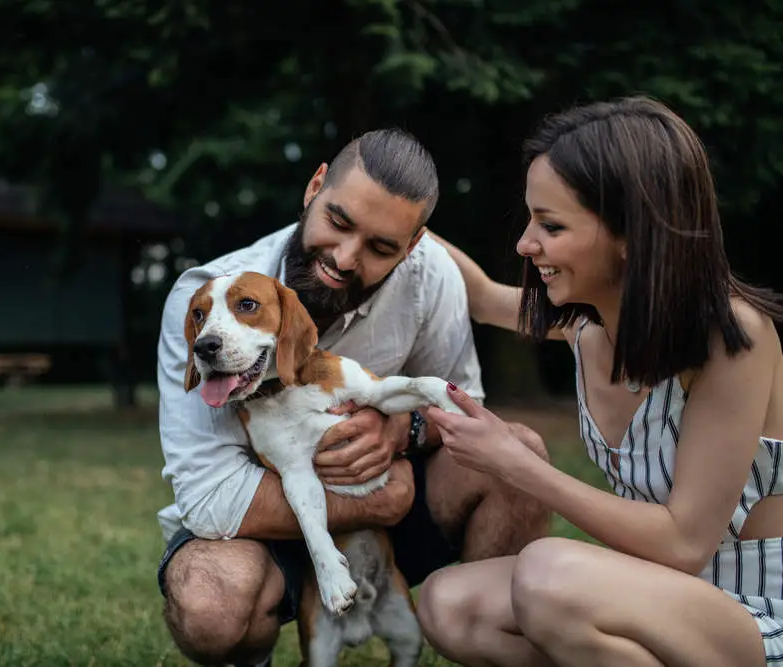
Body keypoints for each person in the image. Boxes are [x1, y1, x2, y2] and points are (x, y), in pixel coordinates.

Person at [154, 128, 551, 666]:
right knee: (208, 604)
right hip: (263, 524)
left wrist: (401, 430)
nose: (343, 259)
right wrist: (373, 499)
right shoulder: (204, 298)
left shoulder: (431, 277)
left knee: (517, 452)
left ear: (412, 247)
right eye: (338, 222)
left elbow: (465, 403)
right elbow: (206, 496)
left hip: (390, 513)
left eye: (380, 247)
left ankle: (484, 637)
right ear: (315, 186)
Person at [417, 95, 783, 666]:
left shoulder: (733, 337)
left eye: (552, 225)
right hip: (654, 594)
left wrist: (518, 466)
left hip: (754, 611)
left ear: (632, 234)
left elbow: (686, 545)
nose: (525, 243)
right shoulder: (588, 329)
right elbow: (484, 297)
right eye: (530, 217)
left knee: (547, 576)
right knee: (450, 602)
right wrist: (384, 217)